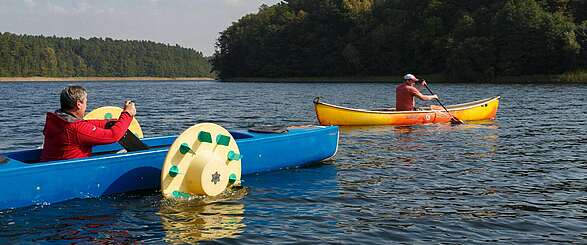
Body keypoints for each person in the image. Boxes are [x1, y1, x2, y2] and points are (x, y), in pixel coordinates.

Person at [40, 85, 137, 162]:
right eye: (86, 102)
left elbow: (87, 124)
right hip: (71, 173)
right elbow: (113, 136)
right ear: (79, 104)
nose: (86, 106)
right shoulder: (75, 129)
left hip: (56, 169)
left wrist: (115, 122)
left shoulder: (57, 121)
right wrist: (127, 114)